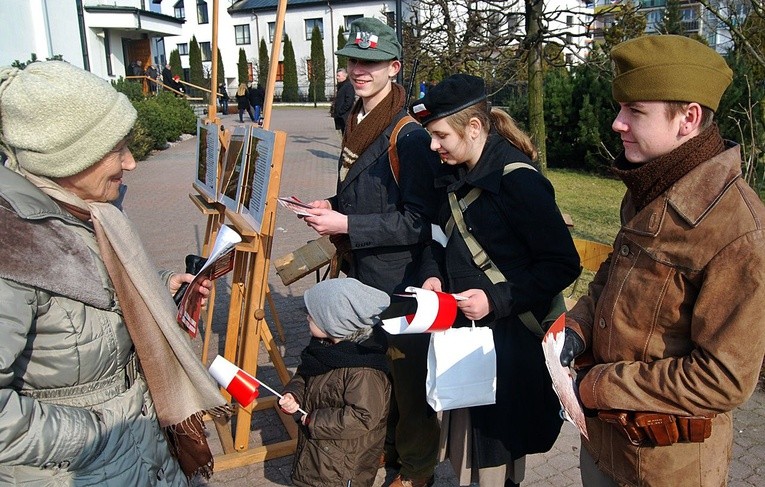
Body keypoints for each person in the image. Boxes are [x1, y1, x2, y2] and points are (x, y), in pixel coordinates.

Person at [0, 61, 228, 484]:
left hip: (142, 453)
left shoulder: (87, 213)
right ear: (67, 153)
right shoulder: (13, 248)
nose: (131, 163)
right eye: (116, 149)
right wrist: (98, 436)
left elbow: (93, 291)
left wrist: (159, 288)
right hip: (83, 469)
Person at [559, 35, 765, 486]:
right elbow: (614, 274)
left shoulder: (736, 230)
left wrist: (597, 386)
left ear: (688, 119)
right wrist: (577, 326)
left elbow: (724, 379)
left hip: (666, 469)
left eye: (635, 111)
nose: (617, 123)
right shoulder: (650, 189)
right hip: (603, 445)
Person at [410, 74, 580, 486]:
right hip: (467, 338)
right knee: (470, 450)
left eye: (439, 136)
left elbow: (562, 265)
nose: (433, 146)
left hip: (510, 344)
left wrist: (496, 300)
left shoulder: (519, 181)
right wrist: (432, 274)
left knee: (498, 455)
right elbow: (436, 233)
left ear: (473, 128)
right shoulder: (452, 170)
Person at [303, 17, 446, 487]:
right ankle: (390, 452)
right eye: (353, 61)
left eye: (372, 62)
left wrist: (346, 224)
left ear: (394, 67)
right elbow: (364, 192)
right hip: (365, 275)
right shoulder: (358, 120)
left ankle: (417, 471)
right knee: (377, 373)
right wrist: (335, 204)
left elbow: (418, 221)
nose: (360, 70)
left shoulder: (409, 137)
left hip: (401, 281)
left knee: (408, 386)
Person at [279, 278, 392, 487]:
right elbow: (305, 376)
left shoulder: (364, 371)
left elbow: (363, 417)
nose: (307, 317)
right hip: (320, 451)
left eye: (313, 316)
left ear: (335, 324)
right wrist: (293, 393)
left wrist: (314, 420)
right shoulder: (323, 349)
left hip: (343, 465)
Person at [330, 68, 355, 134]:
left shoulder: (348, 86)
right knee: (343, 135)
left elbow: (349, 101)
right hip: (341, 117)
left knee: (347, 136)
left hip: (345, 117)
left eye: (338, 76)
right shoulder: (341, 86)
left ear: (345, 76)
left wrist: (341, 111)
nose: (337, 77)